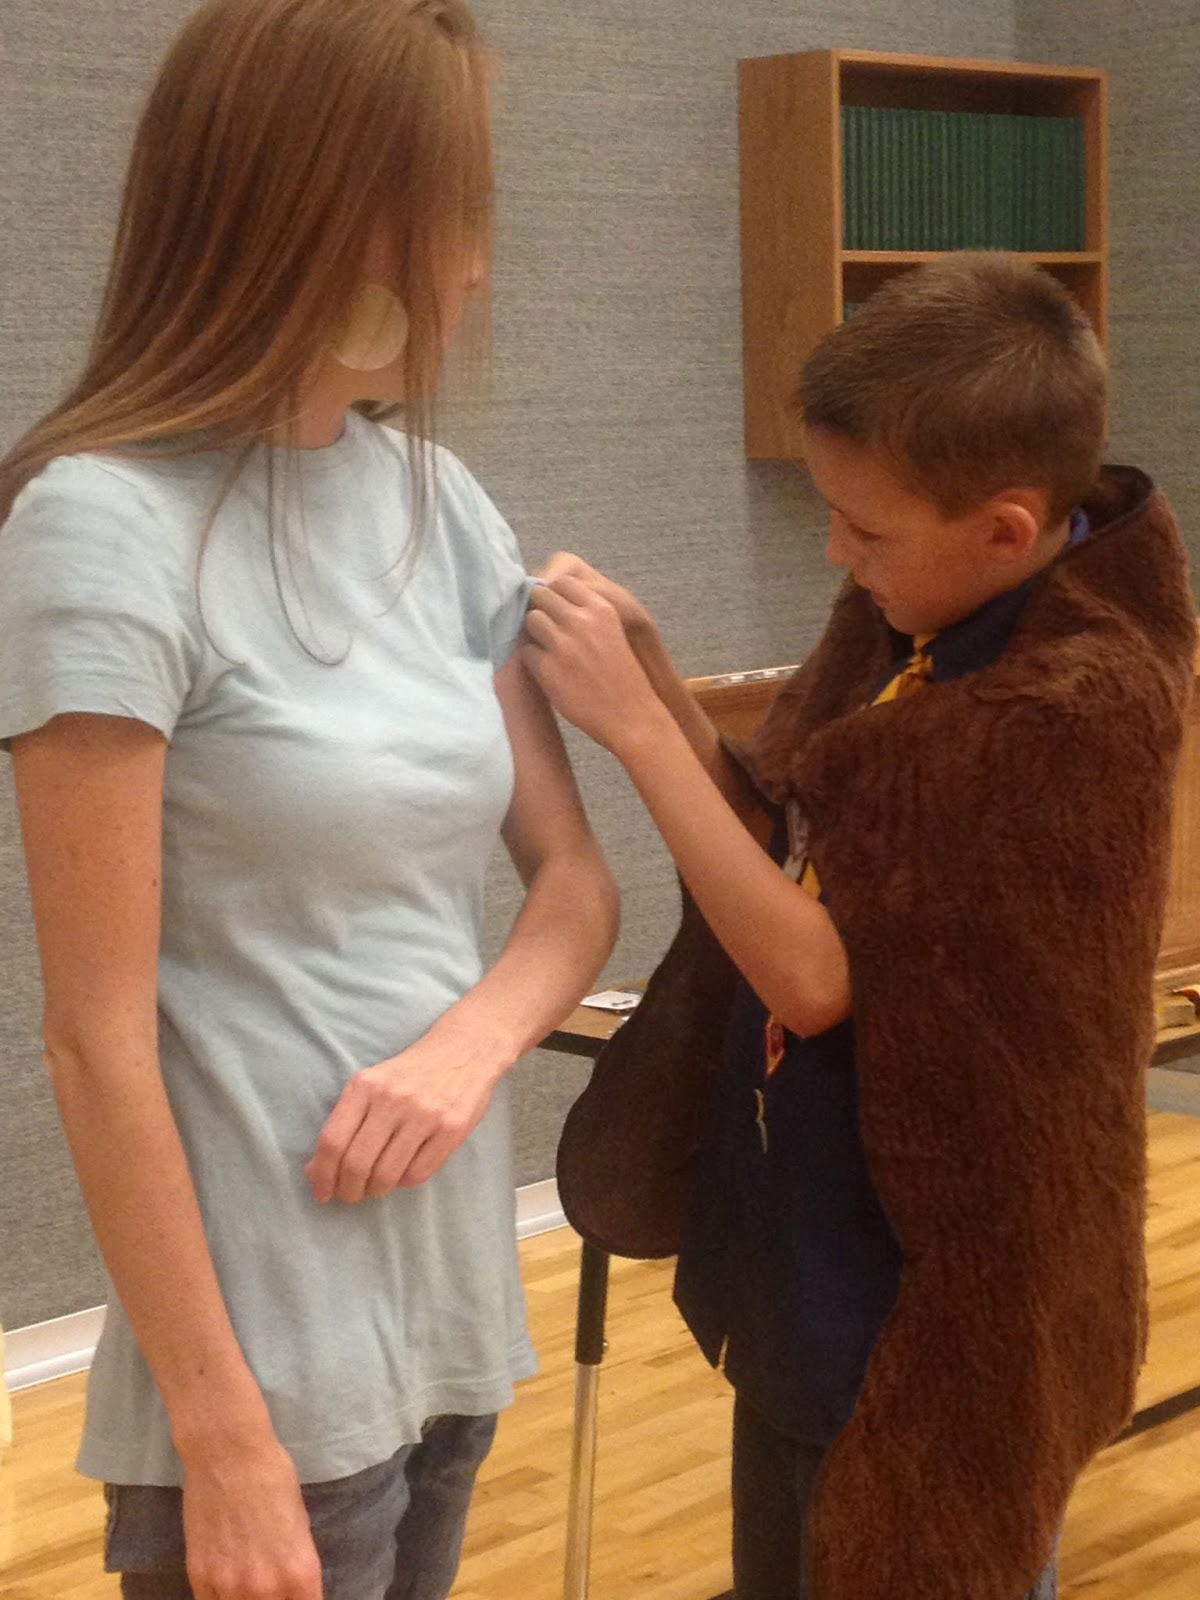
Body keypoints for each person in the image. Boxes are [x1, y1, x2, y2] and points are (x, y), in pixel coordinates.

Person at [0, 2, 619, 1597]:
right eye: (455, 214)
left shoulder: (437, 496)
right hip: (261, 1362)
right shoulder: (96, 528)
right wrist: (222, 1440)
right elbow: (94, 1039)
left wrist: (469, 1048)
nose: (476, 269)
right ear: (317, 209)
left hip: (449, 1303)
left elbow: (573, 888)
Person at [522, 254, 1196, 1600]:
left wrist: (640, 733)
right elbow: (790, 840)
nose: (836, 551)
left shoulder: (1073, 701)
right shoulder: (922, 610)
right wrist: (660, 682)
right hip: (815, 1253)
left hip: (939, 1295)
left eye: (863, 530)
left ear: (1004, 529)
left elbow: (815, 975)